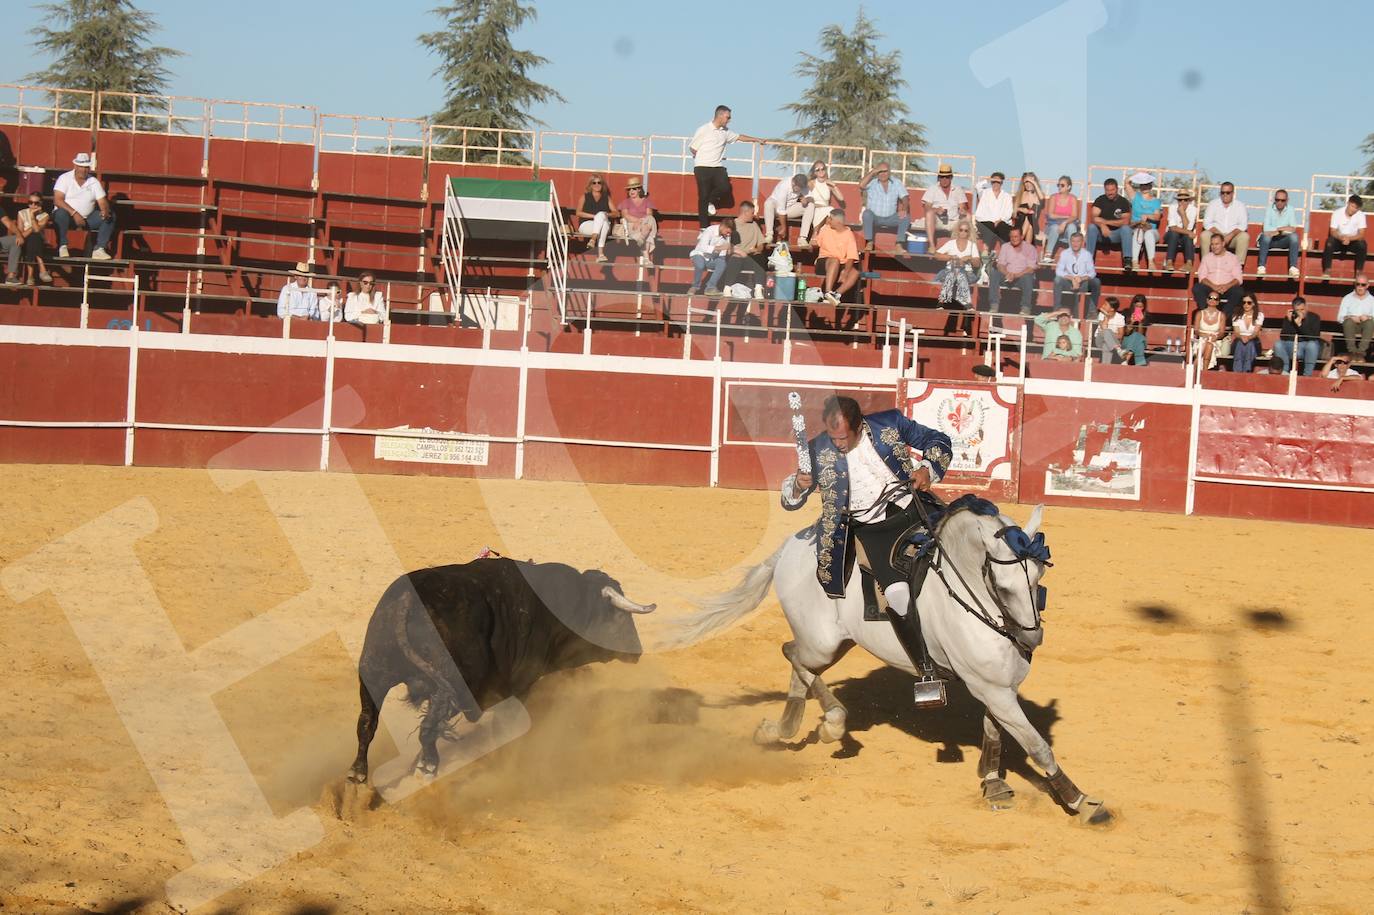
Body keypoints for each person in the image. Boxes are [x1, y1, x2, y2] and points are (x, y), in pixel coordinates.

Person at [781, 395, 954, 682]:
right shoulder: (818, 450)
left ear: (860, 426)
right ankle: (925, 670)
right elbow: (788, 500)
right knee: (897, 595)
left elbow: (939, 439)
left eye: (843, 437)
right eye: (832, 436)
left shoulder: (890, 424)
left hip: (915, 507)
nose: (837, 444)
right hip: (872, 530)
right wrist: (798, 486)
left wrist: (926, 468)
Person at [689, 105, 759, 228]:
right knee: (703, 196)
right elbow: (693, 147)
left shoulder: (725, 132)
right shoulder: (703, 129)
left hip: (717, 166)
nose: (729, 120)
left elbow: (739, 137)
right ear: (720, 116)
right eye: (728, 117)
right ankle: (703, 228)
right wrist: (701, 158)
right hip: (702, 167)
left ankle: (711, 200)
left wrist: (757, 139)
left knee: (725, 187)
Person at [52, 152, 115, 260]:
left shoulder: (93, 182)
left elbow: (102, 201)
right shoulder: (64, 178)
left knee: (110, 215)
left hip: (88, 219)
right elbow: (58, 200)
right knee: (60, 213)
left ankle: (99, 249)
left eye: (86, 167)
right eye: (81, 167)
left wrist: (104, 210)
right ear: (75, 166)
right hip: (68, 217)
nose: (83, 170)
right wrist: (74, 213)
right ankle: (62, 246)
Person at [722, 201, 767, 318]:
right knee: (735, 258)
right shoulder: (732, 225)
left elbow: (761, 244)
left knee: (760, 258)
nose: (754, 215)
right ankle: (727, 287)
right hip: (737, 256)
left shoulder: (754, 225)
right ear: (745, 212)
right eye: (752, 213)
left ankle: (758, 288)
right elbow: (727, 247)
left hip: (750, 257)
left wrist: (757, 249)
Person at [933, 219, 981, 318]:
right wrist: (951, 257)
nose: (963, 232)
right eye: (961, 230)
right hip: (949, 271)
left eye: (966, 230)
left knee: (959, 272)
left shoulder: (972, 245)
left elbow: (977, 264)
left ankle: (942, 301)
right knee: (954, 272)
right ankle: (967, 303)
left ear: (969, 233)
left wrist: (969, 259)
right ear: (957, 230)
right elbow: (936, 255)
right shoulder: (951, 243)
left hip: (968, 273)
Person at [987, 225, 1039, 316]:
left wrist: (1016, 275)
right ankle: (994, 305)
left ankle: (1025, 307)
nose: (1014, 239)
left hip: (1021, 278)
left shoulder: (1030, 248)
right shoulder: (1005, 247)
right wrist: (1007, 273)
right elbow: (1000, 265)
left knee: (1028, 277)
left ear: (1022, 237)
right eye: (1011, 237)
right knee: (994, 272)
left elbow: (1031, 268)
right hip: (1007, 276)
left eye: (1016, 236)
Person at [858, 162, 909, 254]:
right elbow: (861, 185)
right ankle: (869, 242)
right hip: (875, 217)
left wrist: (904, 209)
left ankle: (898, 245)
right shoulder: (872, 183)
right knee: (867, 214)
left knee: (906, 216)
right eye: (880, 172)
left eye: (885, 171)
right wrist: (873, 172)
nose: (883, 174)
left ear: (889, 171)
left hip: (891, 217)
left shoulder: (896, 182)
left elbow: (905, 197)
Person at [815, 209, 861, 309]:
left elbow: (851, 257)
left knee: (855, 273)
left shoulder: (849, 234)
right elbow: (815, 241)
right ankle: (828, 292)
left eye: (831, 219)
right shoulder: (825, 229)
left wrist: (846, 272)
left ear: (838, 222)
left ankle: (836, 294)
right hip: (824, 261)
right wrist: (819, 227)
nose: (829, 221)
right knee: (834, 260)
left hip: (841, 263)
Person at [1193, 233, 1246, 320]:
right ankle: (1206, 313)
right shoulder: (1207, 257)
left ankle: (1222, 318)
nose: (1214, 247)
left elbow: (1238, 278)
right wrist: (1214, 286)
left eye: (1217, 244)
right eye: (1212, 244)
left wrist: (1226, 286)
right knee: (1197, 288)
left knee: (1239, 291)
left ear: (1223, 244)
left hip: (1227, 288)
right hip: (1210, 287)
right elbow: (1202, 277)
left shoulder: (1233, 258)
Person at [1085, 178, 1133, 269]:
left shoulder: (1123, 202)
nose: (1110, 192)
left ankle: (1127, 259)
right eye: (1107, 190)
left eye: (1112, 190)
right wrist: (1102, 225)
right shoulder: (1100, 200)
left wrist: (1105, 222)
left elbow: (1125, 221)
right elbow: (1094, 218)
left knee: (1126, 229)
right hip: (1102, 234)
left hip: (1116, 235)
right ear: (1104, 190)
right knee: (1091, 227)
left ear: (1117, 189)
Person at [1200, 181, 1249, 267]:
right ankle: (1206, 264)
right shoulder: (1213, 204)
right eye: (1222, 192)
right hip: (1215, 235)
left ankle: (1238, 266)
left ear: (1233, 193)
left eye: (1228, 192)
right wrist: (1219, 235)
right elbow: (1206, 223)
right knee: (1204, 235)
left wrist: (1230, 235)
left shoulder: (1240, 205)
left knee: (1244, 236)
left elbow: (1243, 225)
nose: (1225, 195)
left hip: (1233, 237)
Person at [797, 161, 844, 250]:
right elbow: (801, 193)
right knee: (831, 210)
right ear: (814, 172)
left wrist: (834, 186)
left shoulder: (829, 184)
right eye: (817, 170)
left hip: (825, 210)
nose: (820, 171)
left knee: (832, 212)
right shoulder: (812, 183)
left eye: (823, 169)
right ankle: (816, 234)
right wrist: (803, 199)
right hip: (814, 209)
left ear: (825, 170)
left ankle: (818, 235)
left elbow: (841, 198)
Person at [922, 163, 969, 249]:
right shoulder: (932, 189)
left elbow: (963, 206)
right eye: (942, 177)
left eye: (947, 177)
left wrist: (962, 209)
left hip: (954, 220)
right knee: (929, 213)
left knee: (968, 217)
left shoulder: (958, 189)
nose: (944, 179)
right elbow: (926, 206)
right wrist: (936, 210)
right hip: (937, 221)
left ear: (951, 177)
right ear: (938, 178)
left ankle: (966, 249)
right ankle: (931, 246)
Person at [572, 173, 617, 263]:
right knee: (601, 218)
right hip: (586, 224)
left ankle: (593, 240)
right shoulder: (585, 197)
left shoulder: (606, 198)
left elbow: (616, 213)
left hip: (602, 226)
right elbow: (578, 212)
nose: (597, 185)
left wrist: (606, 215)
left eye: (599, 183)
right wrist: (595, 217)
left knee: (604, 222)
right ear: (590, 185)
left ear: (602, 184)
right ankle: (600, 254)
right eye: (594, 183)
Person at [1257, 189, 1302, 277]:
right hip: (1270, 241)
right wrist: (1282, 229)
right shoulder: (1269, 209)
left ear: (1287, 201)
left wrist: (1276, 230)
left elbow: (1293, 228)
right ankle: (1261, 266)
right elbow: (1266, 229)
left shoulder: (1291, 209)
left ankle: (1293, 267)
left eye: (1282, 200)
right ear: (1274, 199)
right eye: (1277, 200)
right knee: (1265, 237)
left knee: (1294, 237)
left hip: (1283, 240)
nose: (1279, 202)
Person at [1053, 232, 1100, 315]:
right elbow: (1058, 271)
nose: (1075, 244)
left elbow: (1092, 273)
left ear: (1082, 242)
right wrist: (1072, 278)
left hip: (1083, 282)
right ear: (1070, 242)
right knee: (1057, 280)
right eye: (1073, 241)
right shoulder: (1065, 253)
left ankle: (1091, 311)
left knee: (1096, 282)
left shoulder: (1087, 254)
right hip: (1068, 282)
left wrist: (1081, 279)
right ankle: (1057, 309)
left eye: (1078, 241)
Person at [1322, 194, 1368, 279]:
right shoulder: (1337, 213)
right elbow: (1333, 231)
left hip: (1353, 241)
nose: (1353, 209)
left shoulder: (1361, 215)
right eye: (1352, 206)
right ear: (1348, 203)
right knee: (1329, 242)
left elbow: (1361, 234)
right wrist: (1341, 238)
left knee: (1363, 244)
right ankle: (1327, 269)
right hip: (1339, 240)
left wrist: (1349, 239)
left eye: (1356, 208)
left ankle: (1359, 271)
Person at [1125, 172, 1163, 272]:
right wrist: (1138, 175)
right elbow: (1127, 183)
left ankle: (1151, 262)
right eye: (1143, 184)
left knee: (1148, 234)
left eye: (1147, 184)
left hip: (1151, 229)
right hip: (1137, 228)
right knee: (1139, 231)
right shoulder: (1135, 197)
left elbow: (1157, 217)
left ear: (1150, 186)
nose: (1145, 187)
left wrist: (1147, 216)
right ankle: (1134, 261)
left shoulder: (1156, 201)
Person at [1275, 296, 1322, 375]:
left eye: (1302, 309)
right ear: (1293, 310)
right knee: (1278, 344)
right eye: (1297, 310)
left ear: (1306, 307)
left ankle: (1307, 374)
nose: (1300, 312)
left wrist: (1299, 325)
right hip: (1292, 345)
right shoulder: (1289, 318)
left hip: (1307, 347)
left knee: (1312, 344)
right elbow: (1283, 336)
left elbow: (1314, 337)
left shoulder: (1314, 317)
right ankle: (1284, 372)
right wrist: (1290, 322)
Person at [688, 217, 733, 295]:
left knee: (722, 264)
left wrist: (727, 251)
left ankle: (710, 287)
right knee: (700, 265)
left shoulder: (726, 238)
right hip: (699, 254)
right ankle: (695, 286)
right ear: (723, 226)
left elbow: (721, 256)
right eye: (727, 231)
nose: (727, 234)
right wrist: (719, 248)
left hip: (712, 258)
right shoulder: (710, 230)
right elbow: (703, 247)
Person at [617, 177, 657, 265]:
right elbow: (625, 215)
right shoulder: (625, 202)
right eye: (629, 189)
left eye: (634, 189)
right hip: (632, 226)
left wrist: (641, 222)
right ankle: (647, 258)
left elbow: (649, 215)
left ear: (639, 189)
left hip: (644, 226)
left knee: (650, 220)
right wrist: (638, 221)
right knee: (647, 232)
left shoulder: (647, 201)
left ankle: (642, 239)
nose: (631, 191)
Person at [1041, 175, 1080, 264]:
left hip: (1067, 226)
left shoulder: (1073, 198)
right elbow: (1051, 215)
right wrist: (1065, 217)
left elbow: (1074, 216)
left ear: (1069, 187)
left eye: (1062, 185)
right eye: (1058, 185)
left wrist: (1065, 223)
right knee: (1055, 227)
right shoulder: (1053, 197)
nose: (1059, 187)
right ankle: (1047, 255)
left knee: (1071, 227)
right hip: (1053, 225)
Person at [16, 193, 53, 285]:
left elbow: (37, 231)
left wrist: (32, 216)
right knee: (33, 237)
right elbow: (21, 234)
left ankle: (30, 276)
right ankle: (42, 269)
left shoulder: (45, 215)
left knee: (34, 237)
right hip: (24, 241)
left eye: (36, 203)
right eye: (30, 202)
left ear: (41, 203)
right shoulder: (22, 213)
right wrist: (32, 228)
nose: (33, 205)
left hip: (38, 243)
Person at [764, 174, 809, 246]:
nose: (800, 189)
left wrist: (806, 199)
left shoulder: (803, 185)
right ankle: (769, 235)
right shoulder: (784, 185)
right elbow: (781, 210)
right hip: (776, 207)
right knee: (768, 203)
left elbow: (811, 196)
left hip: (790, 208)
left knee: (810, 205)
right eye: (798, 187)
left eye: (801, 187)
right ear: (793, 182)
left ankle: (802, 238)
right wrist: (784, 228)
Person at [1337, 275, 1374, 361]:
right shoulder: (1347, 298)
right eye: (1358, 284)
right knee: (1348, 322)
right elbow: (1339, 318)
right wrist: (1350, 317)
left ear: (1367, 285)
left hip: (1367, 327)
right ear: (1355, 284)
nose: (1360, 287)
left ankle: (1361, 353)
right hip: (1351, 327)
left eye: (1363, 285)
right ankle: (1352, 353)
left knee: (1369, 323)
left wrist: (1368, 317)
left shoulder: (1372, 300)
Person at [974, 171, 1013, 251]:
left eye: (998, 182)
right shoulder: (984, 193)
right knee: (989, 229)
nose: (995, 183)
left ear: (1001, 183)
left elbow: (1009, 212)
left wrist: (1000, 220)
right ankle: (985, 253)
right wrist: (987, 180)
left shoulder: (1007, 196)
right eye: (993, 181)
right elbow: (977, 186)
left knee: (1004, 229)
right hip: (985, 221)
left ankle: (1004, 254)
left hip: (1001, 222)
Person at [1163, 187, 1199, 272]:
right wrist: (1188, 232)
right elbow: (1172, 227)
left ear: (1189, 201)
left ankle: (1189, 263)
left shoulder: (1193, 209)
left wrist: (1183, 214)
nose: (1182, 202)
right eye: (1180, 200)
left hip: (1184, 237)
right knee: (1174, 233)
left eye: (1185, 200)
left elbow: (1188, 228)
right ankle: (1169, 262)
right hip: (1171, 235)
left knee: (1187, 236)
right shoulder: (1172, 207)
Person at [1193, 291, 1228, 371]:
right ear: (1207, 300)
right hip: (1201, 340)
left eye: (1215, 299)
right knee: (1207, 344)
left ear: (1218, 302)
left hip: (1215, 341)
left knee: (1210, 344)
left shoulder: (1221, 315)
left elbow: (1222, 333)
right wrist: (1204, 335)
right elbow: (1196, 330)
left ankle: (1197, 363)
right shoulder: (1199, 313)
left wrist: (1215, 337)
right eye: (1210, 298)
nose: (1212, 300)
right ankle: (1204, 369)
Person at [1231, 294, 1264, 373]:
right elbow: (1237, 332)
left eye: (1249, 302)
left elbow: (1255, 333)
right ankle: (1238, 372)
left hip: (1253, 341)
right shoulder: (1236, 316)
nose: (1246, 305)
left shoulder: (1259, 315)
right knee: (1240, 343)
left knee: (1249, 344)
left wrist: (1248, 338)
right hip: (1239, 341)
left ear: (1253, 304)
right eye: (1244, 302)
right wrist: (1242, 337)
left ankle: (1246, 371)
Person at [1095, 296, 1131, 364]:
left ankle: (1105, 367)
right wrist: (1106, 316)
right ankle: (1118, 350)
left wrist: (1110, 336)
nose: (1103, 306)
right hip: (1099, 340)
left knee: (1106, 345)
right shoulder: (1101, 314)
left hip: (1112, 343)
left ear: (1112, 309)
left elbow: (1120, 336)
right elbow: (1103, 328)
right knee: (1106, 331)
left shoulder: (1120, 318)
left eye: (1105, 304)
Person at [1012, 172, 1045, 245]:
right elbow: (1013, 212)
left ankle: (1018, 242)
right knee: (1029, 222)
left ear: (1034, 182)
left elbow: (1042, 200)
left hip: (1034, 226)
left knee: (1030, 221)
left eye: (1030, 181)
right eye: (1025, 182)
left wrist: (1034, 183)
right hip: (1020, 224)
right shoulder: (1021, 194)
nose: (1027, 184)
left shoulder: (1038, 196)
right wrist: (1021, 209)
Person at [1121, 293, 1149, 365]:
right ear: (1133, 305)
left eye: (1141, 307)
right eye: (1137, 306)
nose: (1139, 308)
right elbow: (1126, 333)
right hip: (1126, 340)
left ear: (1144, 307)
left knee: (1138, 337)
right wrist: (1131, 322)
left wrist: (1140, 322)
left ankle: (1126, 359)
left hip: (1141, 340)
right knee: (1140, 345)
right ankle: (1140, 366)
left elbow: (1141, 335)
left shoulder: (1146, 316)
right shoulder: (1126, 313)